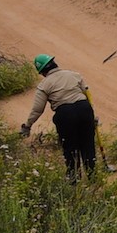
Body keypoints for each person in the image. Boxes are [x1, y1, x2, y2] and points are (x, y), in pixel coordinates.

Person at [20, 54, 97, 183]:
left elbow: (38, 109)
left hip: (65, 114)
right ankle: (92, 177)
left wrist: (27, 125)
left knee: (70, 148)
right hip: (84, 109)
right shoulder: (74, 74)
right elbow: (87, 93)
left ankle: (73, 179)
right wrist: (92, 115)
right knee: (88, 145)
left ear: (43, 71)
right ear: (54, 63)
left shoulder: (44, 85)